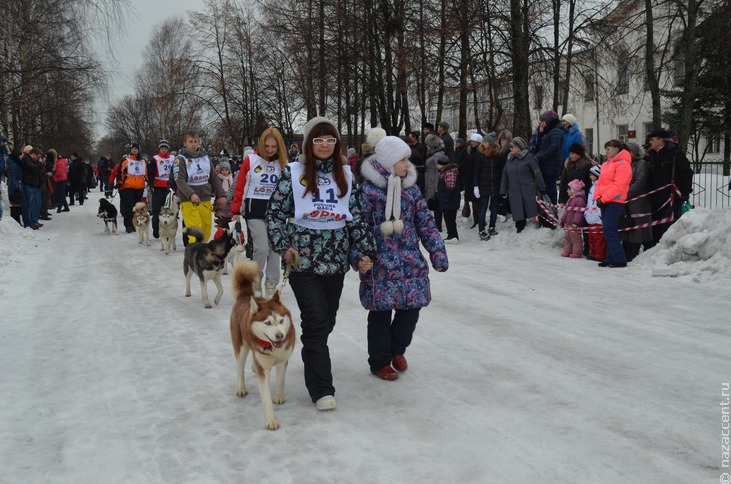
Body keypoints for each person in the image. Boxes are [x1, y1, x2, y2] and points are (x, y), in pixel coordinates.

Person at [266, 117, 375, 411]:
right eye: (318, 140)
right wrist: (283, 246)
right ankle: (322, 389)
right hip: (303, 261)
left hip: (335, 261)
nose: (324, 145)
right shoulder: (293, 173)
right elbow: (275, 214)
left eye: (329, 140)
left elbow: (356, 217)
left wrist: (366, 252)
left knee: (327, 320)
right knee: (315, 321)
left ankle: (314, 356)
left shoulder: (347, 176)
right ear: (308, 145)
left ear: (337, 144)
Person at [352, 130, 448, 380]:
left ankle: (397, 349)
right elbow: (356, 228)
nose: (408, 164)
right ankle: (380, 361)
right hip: (379, 264)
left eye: (407, 159)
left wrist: (437, 253)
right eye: (402, 160)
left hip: (410, 263)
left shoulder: (411, 190)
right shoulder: (367, 192)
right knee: (381, 314)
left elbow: (426, 223)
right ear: (386, 162)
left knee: (411, 309)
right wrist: (358, 257)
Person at [231, 127, 288, 297]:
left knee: (274, 248)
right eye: (267, 146)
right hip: (254, 210)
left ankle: (271, 282)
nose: (270, 150)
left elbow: (290, 189)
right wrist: (235, 209)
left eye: (274, 147)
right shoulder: (251, 160)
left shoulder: (283, 163)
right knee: (262, 248)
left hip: (276, 212)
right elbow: (240, 185)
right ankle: (256, 278)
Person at [173, 131, 227, 243]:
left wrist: (221, 194)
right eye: (190, 142)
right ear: (185, 143)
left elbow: (213, 178)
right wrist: (191, 194)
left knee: (206, 229)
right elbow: (180, 180)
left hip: (205, 199)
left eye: (195, 141)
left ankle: (201, 252)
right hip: (189, 200)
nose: (193, 144)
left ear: (199, 142)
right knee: (196, 231)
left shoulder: (205, 157)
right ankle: (195, 256)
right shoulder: (180, 159)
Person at [646, 128, 694, 247]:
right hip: (656, 197)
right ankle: (655, 251)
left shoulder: (675, 154)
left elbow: (686, 173)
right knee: (656, 225)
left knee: (668, 226)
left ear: (660, 140)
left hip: (672, 196)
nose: (650, 142)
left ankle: (668, 249)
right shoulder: (652, 155)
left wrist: (684, 193)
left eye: (652, 140)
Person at [594, 139, 632, 268]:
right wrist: (597, 197)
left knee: (609, 230)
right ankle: (610, 257)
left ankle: (620, 258)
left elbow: (619, 186)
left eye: (608, 149)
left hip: (615, 201)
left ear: (617, 149)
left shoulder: (623, 165)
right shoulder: (606, 164)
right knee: (607, 230)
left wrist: (604, 198)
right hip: (604, 200)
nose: (606, 152)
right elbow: (600, 182)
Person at [499, 137, 546, 233]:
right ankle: (520, 226)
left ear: (519, 147)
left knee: (534, 207)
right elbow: (504, 175)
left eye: (513, 146)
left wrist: (542, 187)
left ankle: (543, 225)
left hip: (528, 189)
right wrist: (503, 191)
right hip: (514, 191)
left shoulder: (529, 157)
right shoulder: (509, 159)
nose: (510, 148)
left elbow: (537, 172)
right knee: (518, 210)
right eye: (510, 146)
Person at [619, 141, 652, 261]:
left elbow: (640, 182)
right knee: (626, 226)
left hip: (638, 201)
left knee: (637, 228)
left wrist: (625, 194)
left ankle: (633, 255)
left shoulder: (641, 163)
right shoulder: (624, 164)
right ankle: (626, 253)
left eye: (628, 151)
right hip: (625, 201)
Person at [473, 132, 504, 240]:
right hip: (483, 186)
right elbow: (476, 171)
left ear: (490, 143)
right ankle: (481, 230)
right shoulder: (480, 155)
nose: (483, 143)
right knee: (483, 209)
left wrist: (502, 186)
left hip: (495, 186)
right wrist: (475, 186)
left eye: (485, 142)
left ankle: (492, 227)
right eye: (483, 141)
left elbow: (501, 171)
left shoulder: (497, 155)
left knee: (494, 208)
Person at [114, 143, 147, 233]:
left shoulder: (143, 161)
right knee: (129, 206)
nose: (134, 150)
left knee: (137, 207)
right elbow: (120, 172)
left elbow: (146, 173)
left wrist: (149, 182)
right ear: (130, 150)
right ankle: (128, 225)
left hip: (140, 185)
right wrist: (119, 182)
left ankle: (135, 223)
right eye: (132, 149)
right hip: (128, 186)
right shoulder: (126, 160)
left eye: (136, 148)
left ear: (138, 150)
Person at [534, 110, 564, 204]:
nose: (541, 123)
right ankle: (546, 211)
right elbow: (539, 145)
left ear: (549, 121)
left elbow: (554, 147)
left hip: (551, 165)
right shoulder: (548, 131)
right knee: (545, 188)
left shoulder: (556, 131)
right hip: (546, 164)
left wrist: (540, 157)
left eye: (543, 121)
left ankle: (552, 211)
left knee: (550, 188)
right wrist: (540, 133)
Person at [149, 140, 175, 239]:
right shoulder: (155, 159)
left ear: (168, 149)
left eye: (165, 148)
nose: (164, 150)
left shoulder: (173, 158)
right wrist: (151, 186)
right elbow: (151, 173)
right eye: (162, 148)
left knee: (167, 211)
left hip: (168, 188)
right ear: (160, 149)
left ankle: (167, 231)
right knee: (156, 211)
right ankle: (156, 229)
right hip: (157, 187)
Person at [423, 133, 448, 232]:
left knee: (435, 205)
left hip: (433, 183)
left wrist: (437, 186)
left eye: (428, 145)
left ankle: (437, 227)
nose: (426, 147)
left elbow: (439, 171)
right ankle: (434, 225)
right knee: (433, 205)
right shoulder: (433, 154)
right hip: (430, 182)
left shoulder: (437, 155)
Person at [437, 152, 460, 244]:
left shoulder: (449, 172)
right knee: (447, 217)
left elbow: (450, 187)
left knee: (450, 218)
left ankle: (453, 235)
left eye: (438, 163)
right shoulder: (444, 172)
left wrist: (445, 197)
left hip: (451, 200)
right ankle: (450, 234)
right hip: (447, 200)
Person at [560, 179, 587, 258]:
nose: (567, 191)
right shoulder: (571, 199)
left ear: (573, 190)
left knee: (576, 239)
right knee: (567, 238)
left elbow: (579, 213)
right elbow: (567, 212)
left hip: (574, 224)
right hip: (568, 223)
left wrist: (576, 222)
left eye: (569, 189)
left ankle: (577, 252)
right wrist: (562, 220)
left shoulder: (580, 200)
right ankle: (567, 251)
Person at [584, 165, 605, 262]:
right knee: (591, 237)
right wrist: (586, 213)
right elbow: (589, 202)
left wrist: (599, 215)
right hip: (590, 216)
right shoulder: (592, 186)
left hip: (598, 217)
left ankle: (600, 255)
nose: (589, 176)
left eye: (591, 174)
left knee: (599, 239)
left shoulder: (602, 187)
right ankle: (593, 253)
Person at [21, 147, 44, 229]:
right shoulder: (26, 159)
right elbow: (33, 168)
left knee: (33, 204)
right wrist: (39, 163)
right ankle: (28, 223)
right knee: (28, 205)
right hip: (28, 183)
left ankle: (32, 222)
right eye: (38, 157)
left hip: (32, 184)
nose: (38, 159)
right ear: (34, 154)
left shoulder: (31, 160)